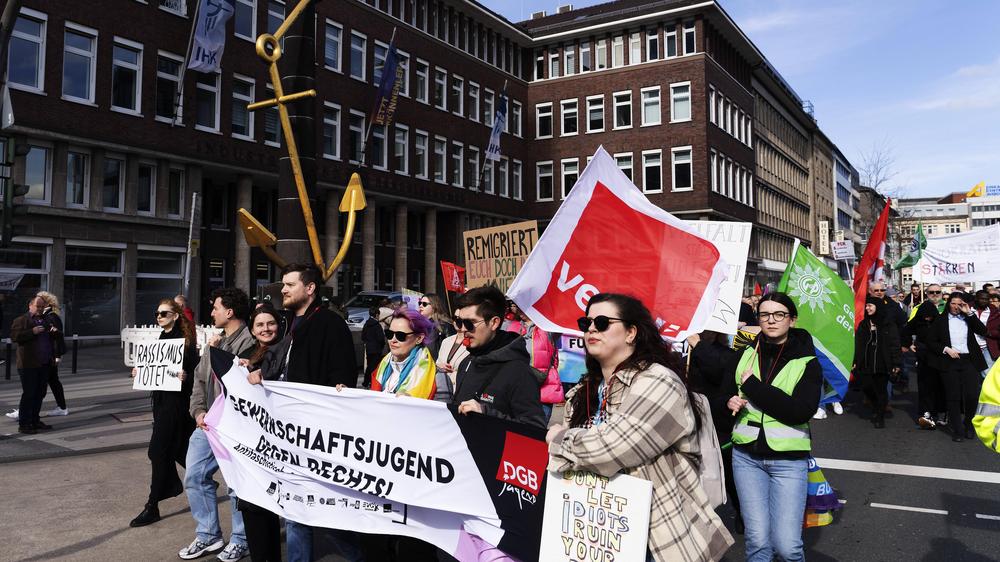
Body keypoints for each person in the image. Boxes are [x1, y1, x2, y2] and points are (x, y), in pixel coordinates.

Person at [547, 293, 733, 561]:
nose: (590, 329)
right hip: (597, 529)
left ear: (631, 332)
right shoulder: (583, 390)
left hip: (657, 535)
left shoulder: (659, 381)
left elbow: (613, 448)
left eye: (602, 322)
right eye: (585, 322)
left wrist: (560, 440)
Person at [262, 263, 360, 562]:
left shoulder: (330, 323)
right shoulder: (288, 322)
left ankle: (358, 554)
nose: (283, 289)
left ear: (310, 288)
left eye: (289, 284)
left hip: (315, 432)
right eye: (283, 284)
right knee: (295, 510)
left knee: (321, 512)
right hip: (288, 430)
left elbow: (342, 377)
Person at [722, 292, 822, 562]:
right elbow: (724, 395)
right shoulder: (745, 352)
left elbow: (800, 410)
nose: (771, 320)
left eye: (779, 314)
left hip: (789, 462)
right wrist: (729, 401)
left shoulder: (807, 361)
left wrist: (753, 386)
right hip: (746, 457)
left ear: (792, 319)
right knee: (757, 543)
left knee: (788, 547)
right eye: (765, 315)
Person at [180, 287, 256, 562]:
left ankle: (241, 538)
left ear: (230, 312)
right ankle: (208, 534)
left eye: (215, 308)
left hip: (236, 426)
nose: (211, 312)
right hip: (209, 422)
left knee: (236, 484)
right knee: (195, 475)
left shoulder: (250, 342)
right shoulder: (216, 342)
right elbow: (199, 381)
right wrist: (198, 410)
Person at [130, 299, 198, 527]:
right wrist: (140, 372)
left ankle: (152, 506)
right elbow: (157, 368)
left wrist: (185, 377)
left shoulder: (185, 342)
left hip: (175, 405)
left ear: (176, 315)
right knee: (178, 448)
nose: (159, 317)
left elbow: (195, 371)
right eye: (157, 313)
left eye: (164, 313)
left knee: (157, 451)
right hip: (161, 403)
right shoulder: (162, 338)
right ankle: (199, 475)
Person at [451, 286, 546, 428]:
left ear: (494, 323)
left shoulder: (519, 372)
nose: (463, 329)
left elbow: (535, 429)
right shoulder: (467, 362)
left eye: (470, 323)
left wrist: (486, 413)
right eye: (459, 322)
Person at [237, 303, 284, 562]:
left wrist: (263, 376)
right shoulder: (247, 352)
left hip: (277, 440)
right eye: (260, 325)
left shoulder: (286, 349)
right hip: (252, 440)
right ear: (253, 330)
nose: (266, 329)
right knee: (251, 504)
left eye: (271, 323)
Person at [687, 330, 743, 533]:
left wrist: (699, 346)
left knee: (726, 471)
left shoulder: (727, 353)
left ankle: (742, 510)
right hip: (690, 420)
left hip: (718, 421)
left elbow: (720, 370)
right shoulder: (683, 354)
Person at [926, 292, 987, 442]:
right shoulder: (940, 320)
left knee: (972, 395)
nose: (956, 307)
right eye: (953, 303)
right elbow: (931, 341)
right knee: (953, 397)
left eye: (959, 304)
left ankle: (968, 423)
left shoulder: (969, 318)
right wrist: (946, 349)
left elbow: (982, 330)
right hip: (949, 360)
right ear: (948, 304)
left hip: (969, 360)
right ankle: (958, 429)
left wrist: (970, 313)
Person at [506, 301, 564, 422]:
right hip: (517, 389)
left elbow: (561, 318)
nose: (521, 309)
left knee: (537, 431)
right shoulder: (511, 327)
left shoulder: (547, 328)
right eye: (518, 306)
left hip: (542, 389)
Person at [854, 296, 902, 428]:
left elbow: (894, 344)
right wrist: (855, 360)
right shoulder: (864, 324)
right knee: (866, 386)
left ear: (878, 307)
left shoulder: (888, 324)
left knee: (881, 389)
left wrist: (896, 363)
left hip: (882, 362)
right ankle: (876, 406)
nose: (867, 308)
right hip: (866, 361)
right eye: (866, 305)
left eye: (870, 305)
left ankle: (880, 416)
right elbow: (858, 343)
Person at [10, 297, 56, 434]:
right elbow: (14, 337)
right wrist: (32, 332)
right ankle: (24, 424)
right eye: (38, 306)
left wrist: (55, 333)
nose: (40, 309)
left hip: (44, 363)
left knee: (40, 393)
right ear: (30, 306)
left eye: (42, 307)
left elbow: (50, 339)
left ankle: (35, 420)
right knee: (29, 394)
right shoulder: (21, 320)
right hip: (28, 364)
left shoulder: (46, 319)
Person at [369, 308, 437, 398]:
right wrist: (348, 394)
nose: (393, 340)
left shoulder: (437, 378)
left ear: (419, 338)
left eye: (400, 336)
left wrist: (410, 401)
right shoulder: (383, 366)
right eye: (389, 334)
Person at [908, 283, 946, 429]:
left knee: (942, 385)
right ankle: (926, 413)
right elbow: (909, 326)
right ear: (926, 293)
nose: (934, 294)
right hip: (924, 353)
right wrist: (908, 343)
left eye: (937, 292)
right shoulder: (919, 308)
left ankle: (943, 412)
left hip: (943, 354)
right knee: (925, 384)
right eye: (931, 292)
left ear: (942, 293)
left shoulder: (949, 307)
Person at [36, 291, 68, 417]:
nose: (37, 304)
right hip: (51, 355)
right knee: (53, 381)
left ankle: (28, 409)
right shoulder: (49, 315)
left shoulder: (51, 316)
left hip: (51, 355)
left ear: (46, 303)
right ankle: (62, 407)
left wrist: (57, 356)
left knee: (42, 381)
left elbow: (56, 337)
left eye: (39, 301)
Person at [433, 320, 469, 403]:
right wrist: (439, 366)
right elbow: (438, 362)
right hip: (441, 388)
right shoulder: (446, 341)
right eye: (455, 318)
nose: (457, 321)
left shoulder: (472, 343)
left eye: (460, 318)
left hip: (457, 390)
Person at [417, 293, 455, 359]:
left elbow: (451, 348)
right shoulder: (418, 324)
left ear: (434, 306)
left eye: (424, 304)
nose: (420, 306)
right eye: (420, 303)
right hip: (421, 364)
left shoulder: (444, 325)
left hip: (437, 364)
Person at [972, 289, 1000, 377]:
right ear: (976, 298)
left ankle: (988, 390)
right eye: (982, 298)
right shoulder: (968, 309)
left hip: (988, 346)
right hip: (971, 346)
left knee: (987, 373)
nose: (984, 301)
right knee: (973, 373)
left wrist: (989, 333)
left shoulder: (994, 311)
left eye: (987, 299)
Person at [361, 306, 387, 389]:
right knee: (375, 367)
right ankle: (371, 382)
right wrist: (382, 346)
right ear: (376, 315)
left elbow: (363, 336)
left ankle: (366, 382)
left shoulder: (366, 324)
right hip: (376, 349)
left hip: (369, 349)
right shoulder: (377, 325)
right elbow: (381, 338)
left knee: (369, 366)